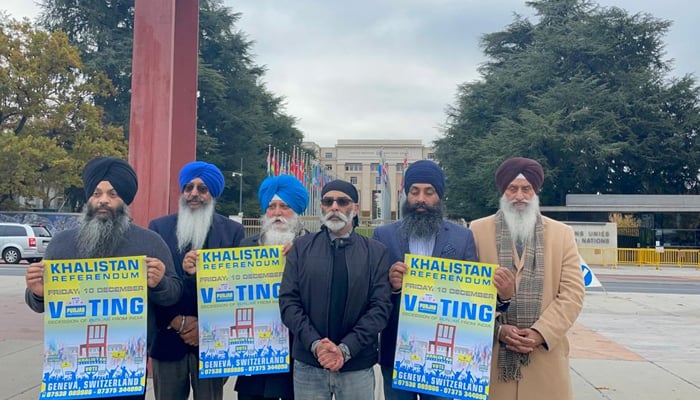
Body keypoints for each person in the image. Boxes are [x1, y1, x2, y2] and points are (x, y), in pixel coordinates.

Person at [24, 156, 182, 400]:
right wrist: (36, 291)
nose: (104, 200)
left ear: (125, 200)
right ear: (89, 198)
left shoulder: (150, 242)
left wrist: (159, 282)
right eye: (97, 193)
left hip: (125, 366)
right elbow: (39, 303)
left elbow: (173, 293)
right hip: (70, 365)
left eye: (113, 194)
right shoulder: (62, 244)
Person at [373, 159, 514, 400]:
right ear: (406, 195)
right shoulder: (384, 235)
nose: (421, 199)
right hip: (398, 352)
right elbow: (371, 292)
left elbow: (475, 294)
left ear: (440, 196)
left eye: (429, 192)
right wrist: (393, 287)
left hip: (445, 363)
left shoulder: (462, 238)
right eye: (415, 192)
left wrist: (503, 297)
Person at [469, 157, 585, 400]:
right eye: (512, 189)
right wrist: (498, 330)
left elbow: (573, 295)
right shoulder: (478, 231)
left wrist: (540, 333)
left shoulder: (562, 234)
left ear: (535, 192)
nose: (519, 196)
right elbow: (468, 293)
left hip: (545, 359)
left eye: (526, 189)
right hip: (493, 359)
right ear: (503, 191)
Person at [279, 179, 392, 400]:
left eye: (342, 201)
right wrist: (316, 346)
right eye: (328, 201)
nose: (334, 207)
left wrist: (346, 349)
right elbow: (289, 302)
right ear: (321, 206)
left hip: (357, 366)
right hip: (309, 365)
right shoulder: (301, 248)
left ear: (355, 208)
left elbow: (380, 307)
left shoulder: (376, 252)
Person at [148, 161, 245, 400]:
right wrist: (176, 321)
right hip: (169, 336)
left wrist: (204, 327)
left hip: (212, 343)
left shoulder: (233, 231)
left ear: (213, 193)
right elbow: (152, 285)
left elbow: (237, 288)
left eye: (202, 189)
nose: (194, 193)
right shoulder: (159, 228)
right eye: (189, 187)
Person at [234, 174, 309, 400]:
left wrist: (300, 257)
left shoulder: (312, 246)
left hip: (297, 353)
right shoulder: (247, 246)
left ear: (297, 210)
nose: (277, 213)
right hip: (254, 355)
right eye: (271, 206)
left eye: (284, 206)